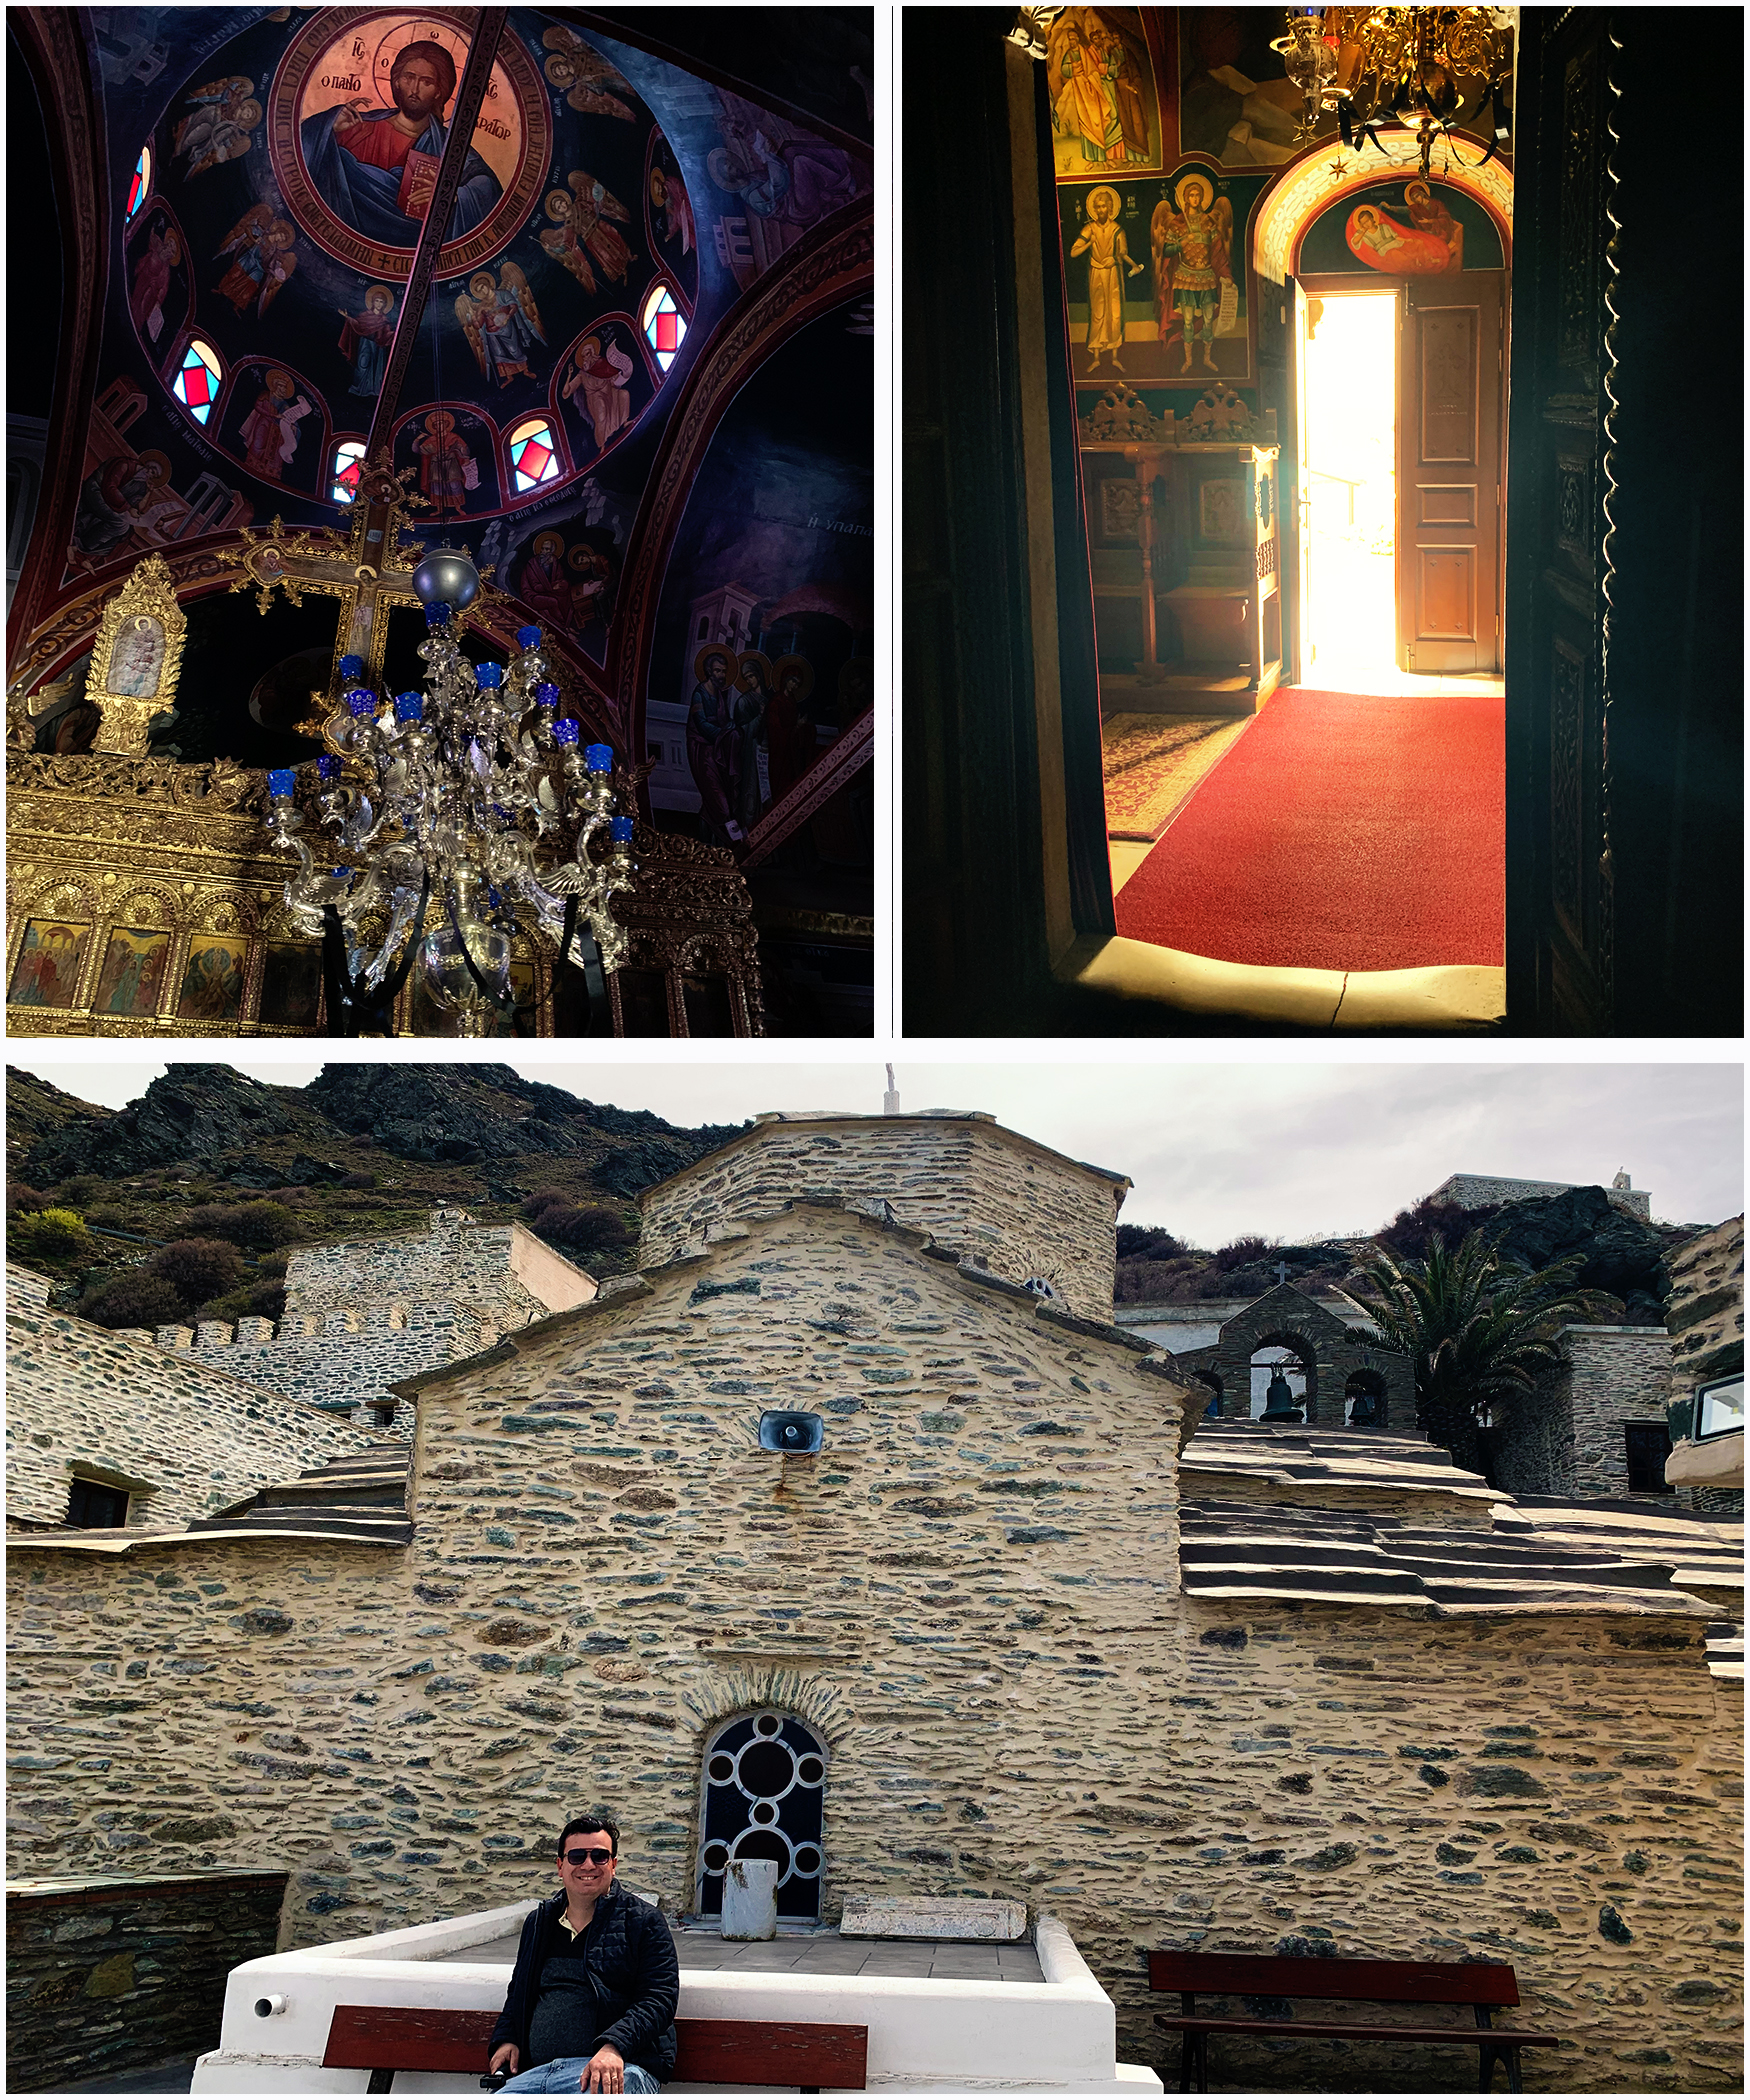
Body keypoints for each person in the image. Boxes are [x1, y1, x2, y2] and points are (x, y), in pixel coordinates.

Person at [489, 1814, 678, 2095]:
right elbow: (519, 1993)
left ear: (613, 1865)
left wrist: (614, 2047)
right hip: (539, 2073)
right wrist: (507, 2039)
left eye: (600, 1856)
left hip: (617, 2068)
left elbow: (658, 1999)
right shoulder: (539, 1923)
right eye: (577, 1856)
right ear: (560, 1866)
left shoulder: (643, 1921)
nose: (588, 1865)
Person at [300, 39, 501, 246]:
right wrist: (328, 125)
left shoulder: (449, 148)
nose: (414, 89)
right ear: (397, 81)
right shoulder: (359, 128)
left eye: (426, 82)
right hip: (343, 247)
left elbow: (488, 188)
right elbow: (297, 153)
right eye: (409, 77)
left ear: (439, 91)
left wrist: (451, 194)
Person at [1071, 189, 1141, 373]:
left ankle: (1115, 357)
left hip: (1112, 274)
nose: (1101, 210)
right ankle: (1096, 358)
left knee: (1114, 313)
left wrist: (1118, 261)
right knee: (1098, 313)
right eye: (1098, 207)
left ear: (1110, 208)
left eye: (1104, 206)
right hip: (1096, 273)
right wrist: (1088, 243)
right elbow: (1073, 252)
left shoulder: (1117, 229)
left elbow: (1122, 253)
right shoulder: (1089, 229)